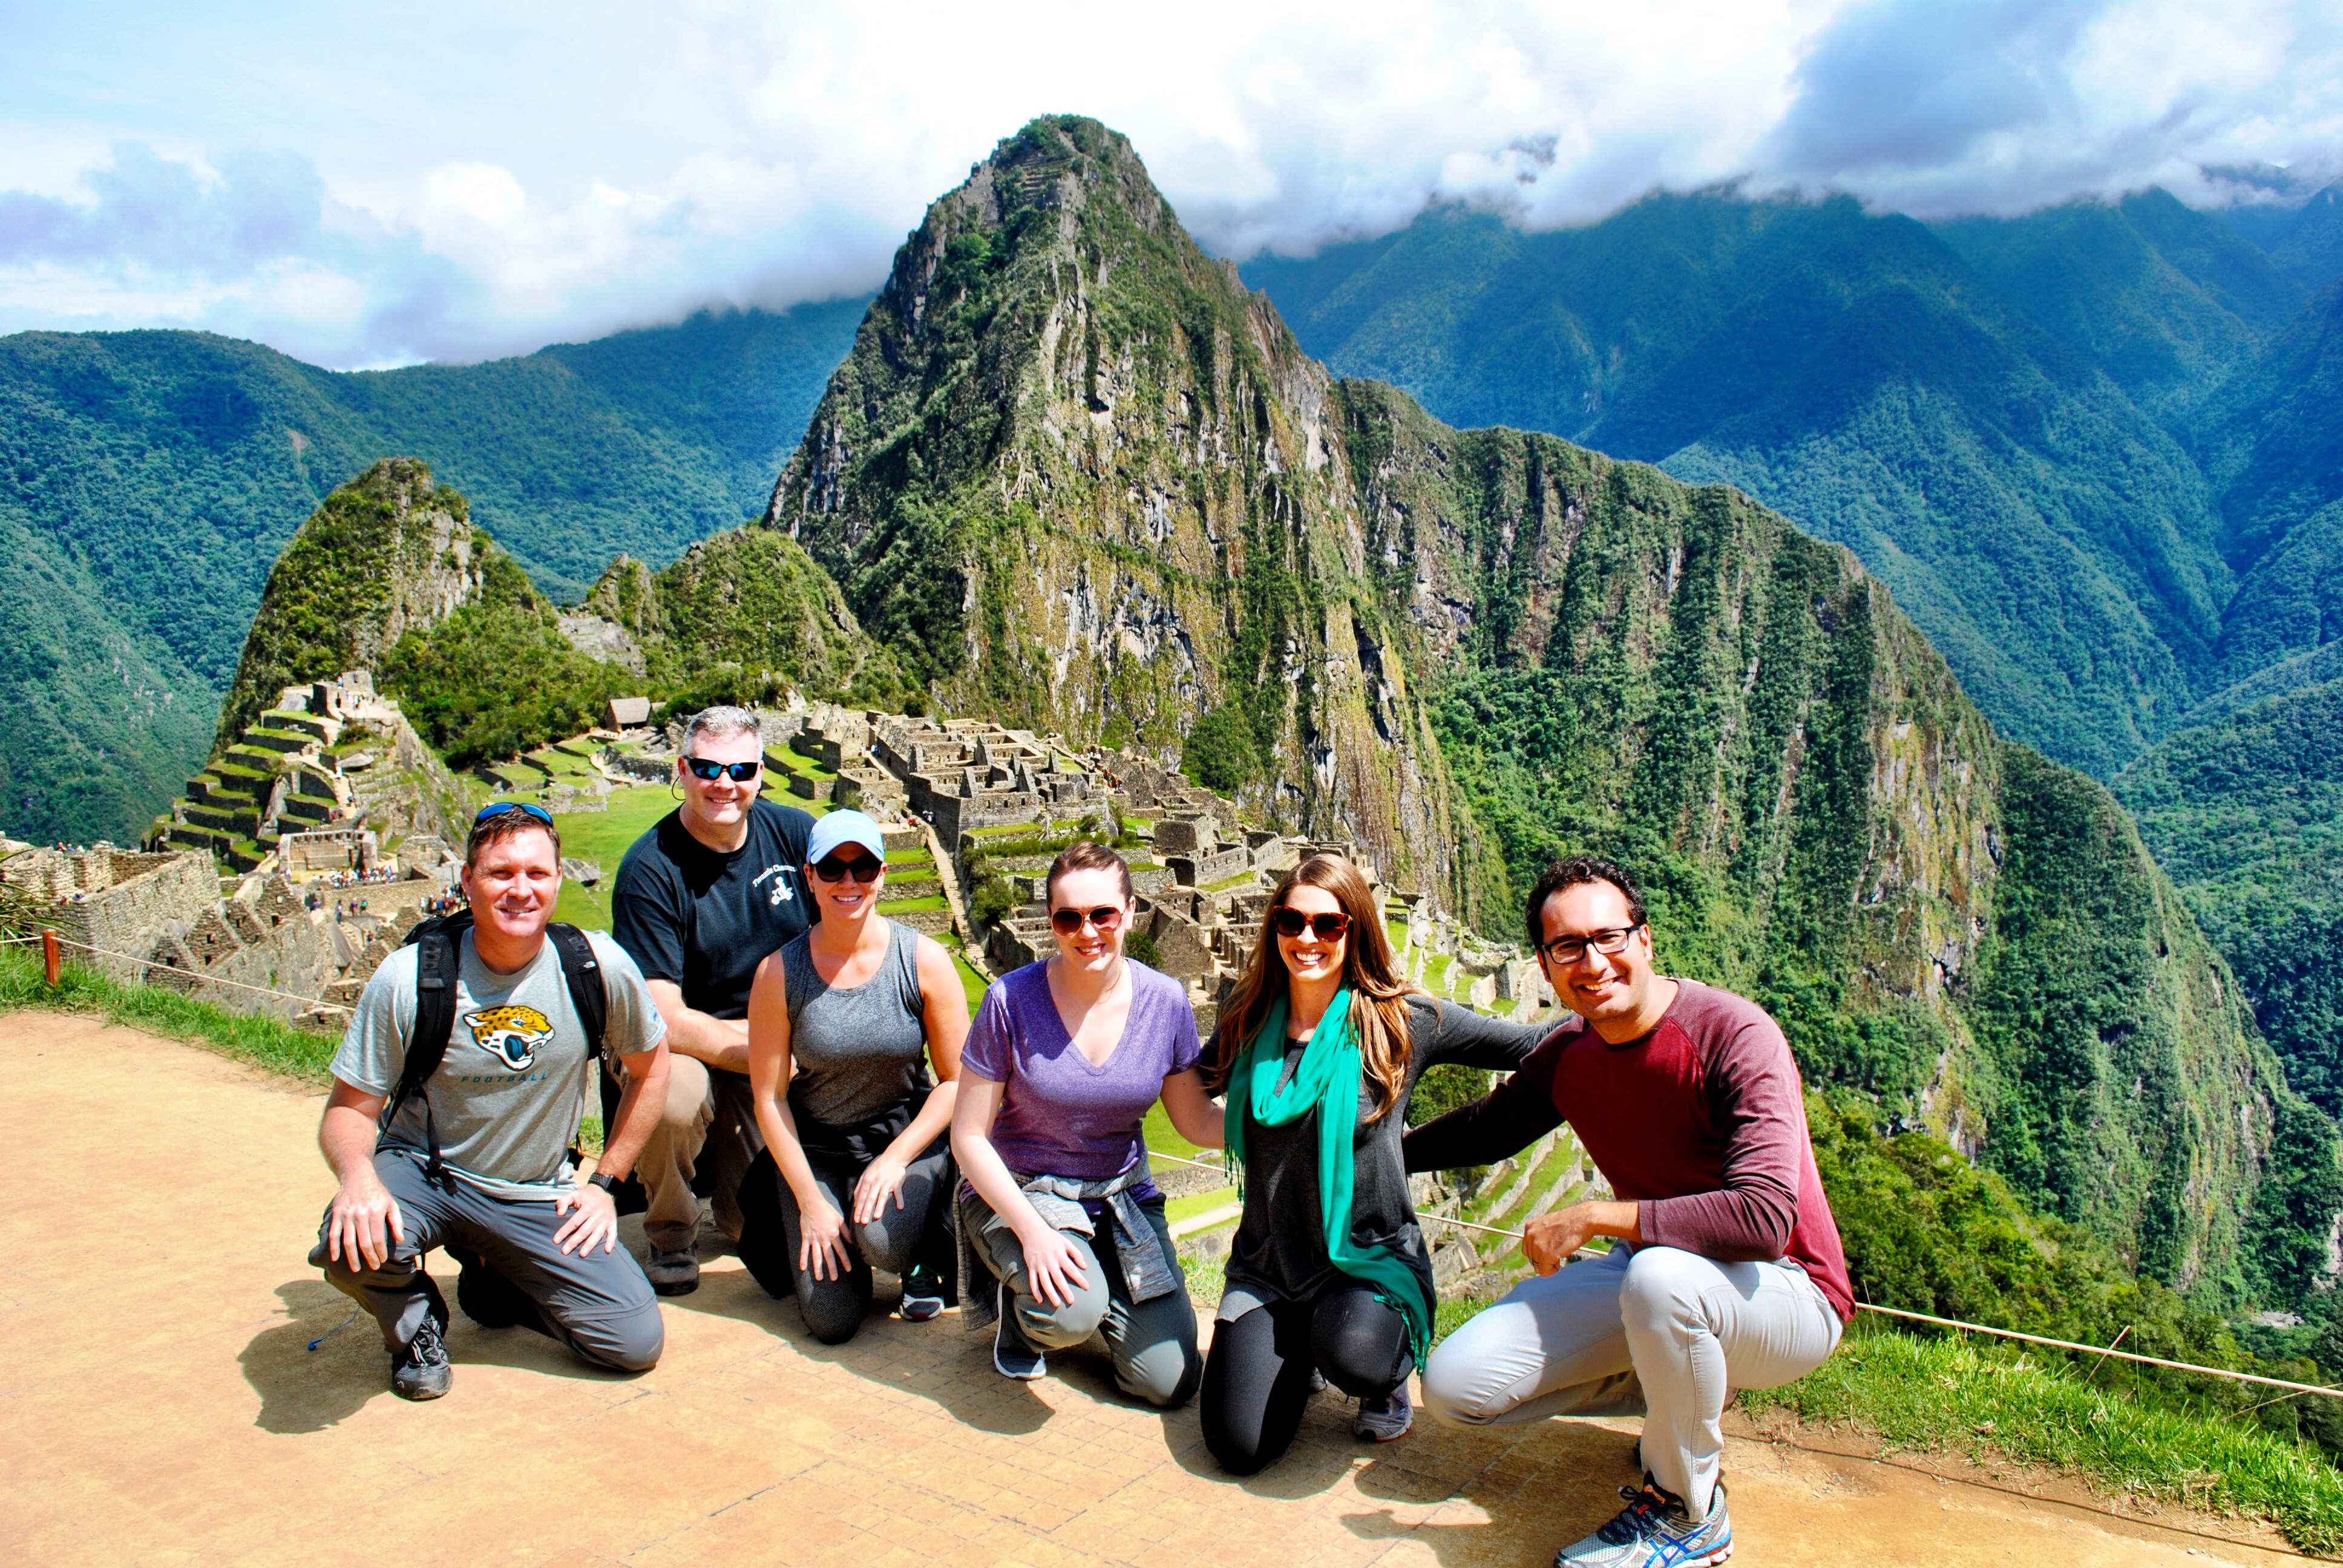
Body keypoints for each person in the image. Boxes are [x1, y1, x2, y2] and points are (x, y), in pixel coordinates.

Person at [1406, 856, 1852, 1568]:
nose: (1593, 961)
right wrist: (1373, 1155)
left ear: (1644, 940)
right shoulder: (1569, 1055)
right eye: (1567, 947)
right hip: (1659, 1282)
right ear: (1547, 968)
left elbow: (1763, 1217)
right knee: (1456, 1387)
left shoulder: (1734, 1034)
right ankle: (1682, 1384)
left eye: (1608, 937)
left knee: (1661, 1282)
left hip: (1784, 1292)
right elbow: (1486, 1130)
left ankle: (1688, 1513)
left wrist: (1594, 1215)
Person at [310, 802, 672, 1400]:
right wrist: (357, 1178)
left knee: (632, 1342)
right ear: (467, 883)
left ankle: (497, 1275)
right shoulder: (411, 978)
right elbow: (349, 1110)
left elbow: (651, 1069)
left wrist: (605, 1184)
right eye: (501, 873)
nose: (521, 891)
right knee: (347, 1245)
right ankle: (413, 1320)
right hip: (428, 1174)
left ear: (559, 879)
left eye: (536, 874)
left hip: (536, 1190)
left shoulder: (596, 966)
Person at [1199, 852, 1546, 1472]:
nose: (1307, 938)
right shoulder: (1247, 1019)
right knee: (1237, 1447)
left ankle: (1378, 1374)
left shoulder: (1400, 1020)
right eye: (1291, 921)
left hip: (1367, 1257)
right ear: (1273, 926)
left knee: (1356, 1358)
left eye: (1327, 925)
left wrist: (1647, 1010)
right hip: (1268, 1265)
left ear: (1353, 929)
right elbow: (1183, 1077)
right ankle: (1299, 1350)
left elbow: (1527, 1045)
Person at [951, 841, 1221, 1407]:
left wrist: (1278, 1127)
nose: (1087, 931)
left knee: (1169, 1382)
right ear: (1050, 921)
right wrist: (1033, 1232)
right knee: (1067, 1313)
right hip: (1022, 1192)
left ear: (1128, 912)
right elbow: (969, 1137)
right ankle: (1025, 1312)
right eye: (1068, 917)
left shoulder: (1165, 1001)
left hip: (1120, 1199)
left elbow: (1194, 1119)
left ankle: (1094, 1288)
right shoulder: (1010, 1001)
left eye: (1103, 914)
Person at [611, 706, 818, 1295]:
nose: (723, 782)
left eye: (739, 768)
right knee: (670, 1090)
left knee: (757, 1231)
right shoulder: (650, 870)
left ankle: (738, 1199)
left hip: (779, 1040)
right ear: (681, 770)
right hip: (702, 1048)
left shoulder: (794, 836)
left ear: (759, 772)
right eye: (706, 767)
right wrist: (766, 1054)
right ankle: (672, 1231)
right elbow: (663, 1019)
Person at [742, 809, 970, 1342]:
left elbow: (957, 1082)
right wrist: (810, 1201)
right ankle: (843, 1227)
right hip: (820, 1148)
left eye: (863, 868)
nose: (849, 882)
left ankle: (923, 1255)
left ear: (883, 875)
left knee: (882, 1240)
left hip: (901, 1135)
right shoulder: (779, 973)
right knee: (833, 1320)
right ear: (810, 878)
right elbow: (770, 1100)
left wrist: (895, 1160)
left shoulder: (922, 961)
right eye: (833, 869)